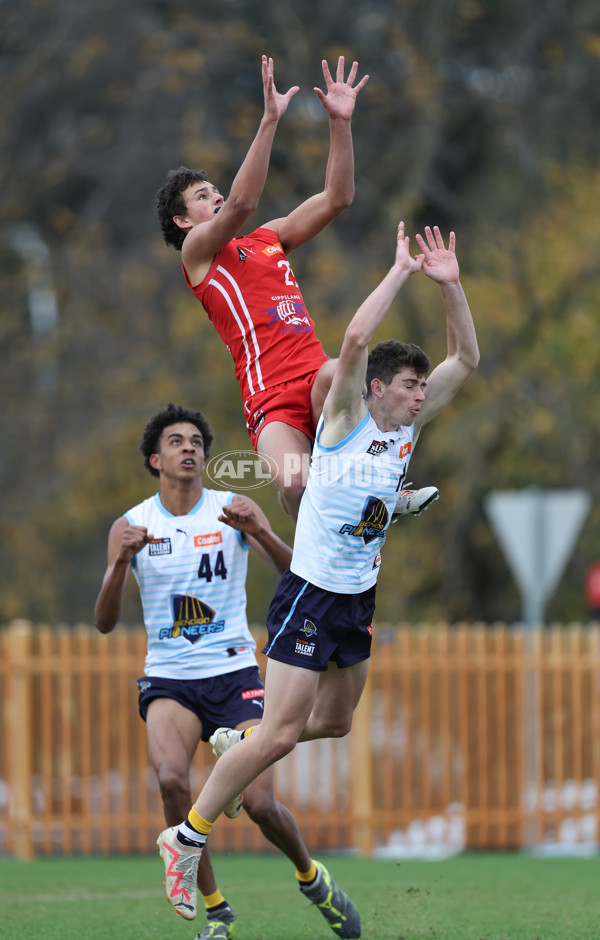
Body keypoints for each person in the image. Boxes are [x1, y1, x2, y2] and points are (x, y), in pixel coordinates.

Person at [156, 222, 479, 923]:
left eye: (424, 387)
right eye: (410, 386)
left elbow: (468, 358)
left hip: (356, 598)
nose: (422, 395)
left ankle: (237, 745)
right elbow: (357, 341)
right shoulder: (341, 419)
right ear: (377, 389)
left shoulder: (407, 430)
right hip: (309, 594)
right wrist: (398, 273)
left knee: (332, 724)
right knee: (277, 734)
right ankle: (185, 840)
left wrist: (451, 285)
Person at [94, 403, 361, 940]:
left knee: (260, 803)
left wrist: (261, 530)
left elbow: (300, 575)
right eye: (176, 441)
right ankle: (218, 913)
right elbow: (104, 622)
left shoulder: (229, 511)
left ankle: (312, 878)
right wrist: (120, 562)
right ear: (155, 459)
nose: (189, 448)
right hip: (169, 677)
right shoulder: (131, 525)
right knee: (172, 779)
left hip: (236, 673)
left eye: (196, 441)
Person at [156, 55, 436, 522]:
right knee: (293, 481)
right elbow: (243, 200)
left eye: (213, 189)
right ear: (182, 221)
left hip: (314, 377)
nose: (217, 196)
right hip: (268, 399)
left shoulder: (268, 238)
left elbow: (338, 197)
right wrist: (269, 120)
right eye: (202, 197)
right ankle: (313, 559)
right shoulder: (198, 255)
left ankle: (386, 488)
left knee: (347, 374)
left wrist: (340, 124)